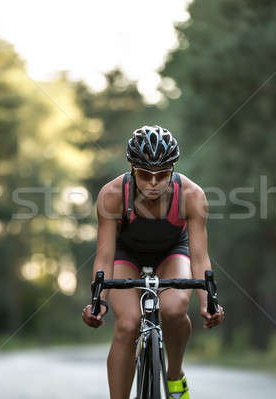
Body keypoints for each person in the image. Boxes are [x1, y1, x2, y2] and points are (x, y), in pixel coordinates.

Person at [82, 125, 225, 399]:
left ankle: (174, 376)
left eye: (162, 174)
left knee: (174, 308)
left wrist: (208, 300)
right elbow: (104, 256)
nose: (153, 182)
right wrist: (98, 300)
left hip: (172, 251)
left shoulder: (192, 195)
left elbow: (199, 257)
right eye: (145, 174)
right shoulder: (112, 195)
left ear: (173, 169)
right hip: (127, 255)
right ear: (132, 168)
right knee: (127, 323)